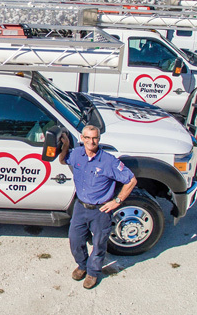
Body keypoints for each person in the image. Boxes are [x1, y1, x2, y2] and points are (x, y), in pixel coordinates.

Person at [59, 124, 137, 289]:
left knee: (99, 243)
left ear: (99, 139)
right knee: (75, 239)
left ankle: (93, 272)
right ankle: (82, 265)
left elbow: (131, 180)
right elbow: (63, 160)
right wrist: (65, 145)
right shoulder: (77, 154)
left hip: (101, 210)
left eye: (95, 138)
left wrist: (117, 201)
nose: (91, 141)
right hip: (81, 206)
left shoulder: (109, 161)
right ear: (82, 138)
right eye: (87, 138)